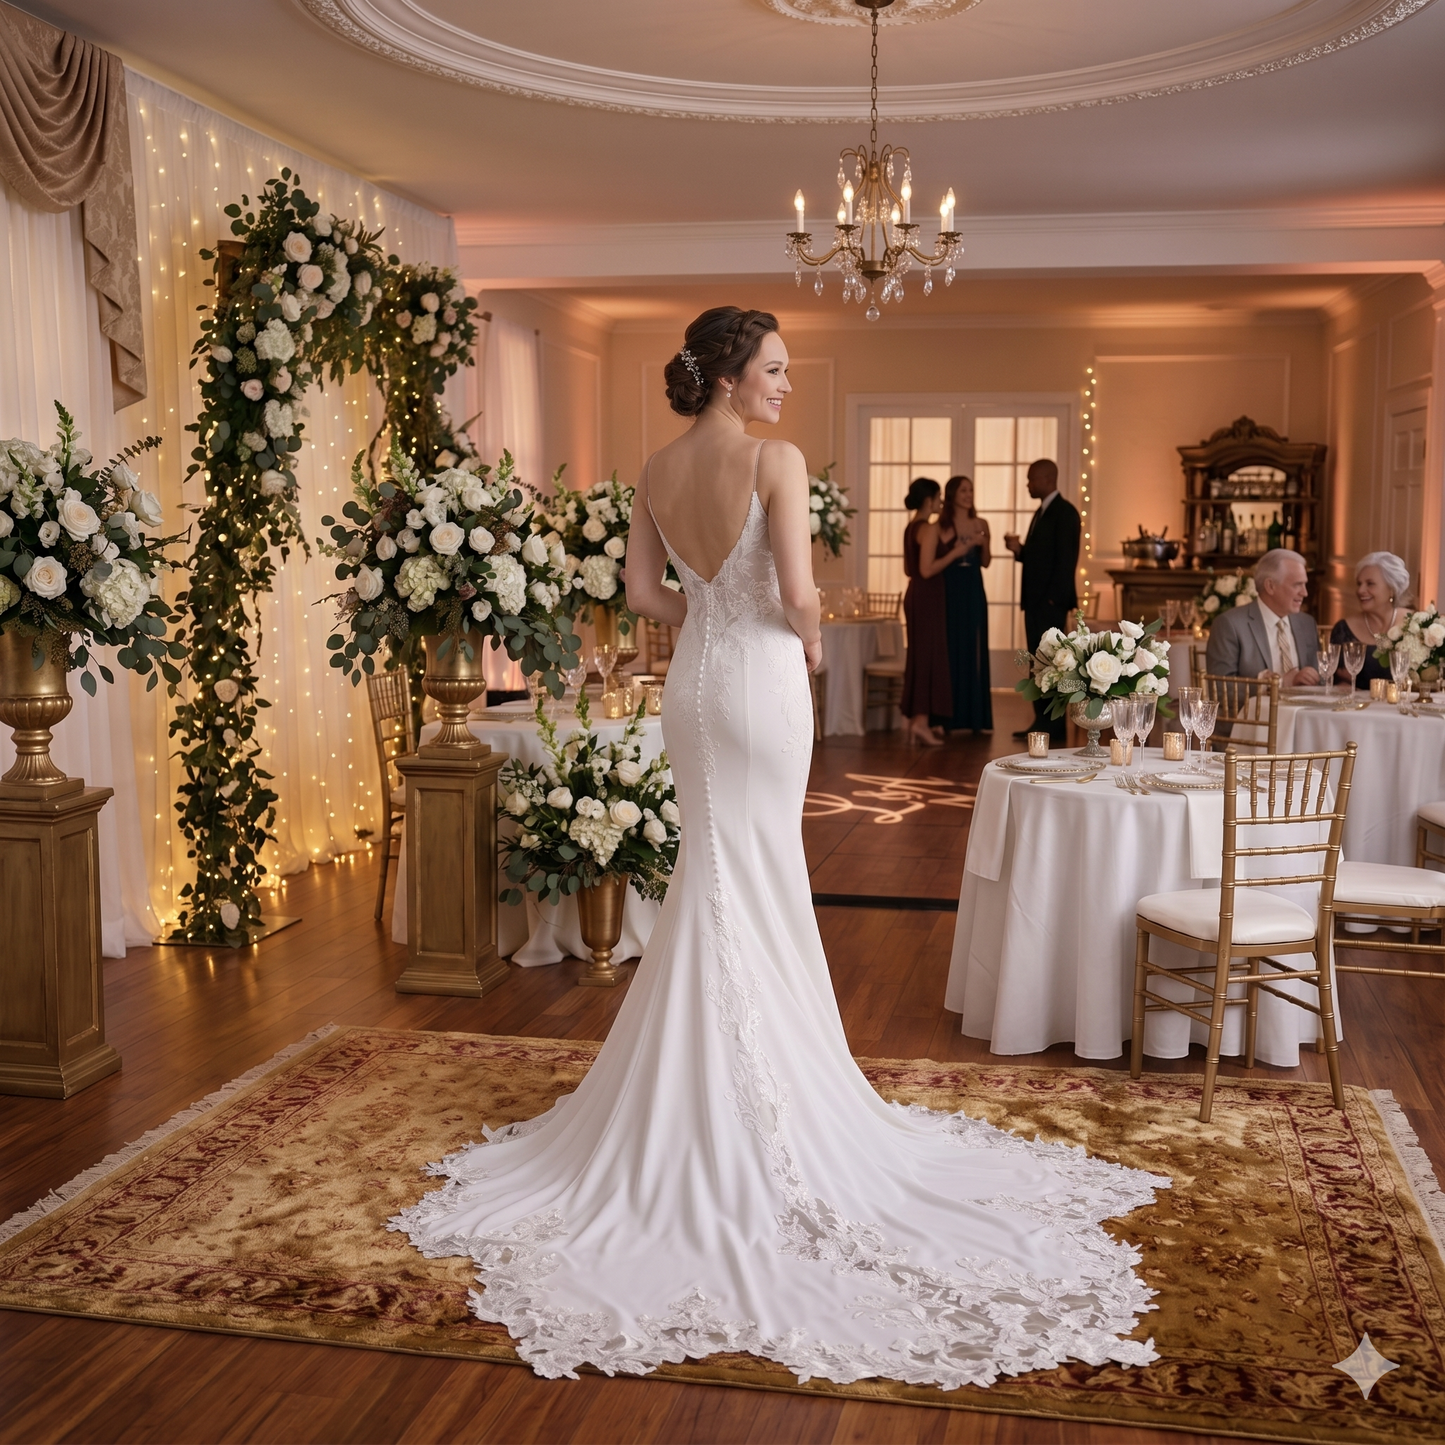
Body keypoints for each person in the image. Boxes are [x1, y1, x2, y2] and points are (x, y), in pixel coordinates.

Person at [390, 306, 1167, 1391]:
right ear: (724, 375)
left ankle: (696, 1084)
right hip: (756, 679)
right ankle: (764, 1093)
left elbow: (640, 594)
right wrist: (797, 634)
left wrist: (712, 608)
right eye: (772, 367)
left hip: (692, 682)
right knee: (754, 870)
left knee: (717, 868)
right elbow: (802, 590)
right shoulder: (773, 458)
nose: (784, 384)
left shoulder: (656, 466)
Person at [1004, 459, 1079, 741]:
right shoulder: (1042, 512)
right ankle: (1041, 720)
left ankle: (1054, 724)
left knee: (1052, 663)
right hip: (1035, 602)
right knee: (1037, 664)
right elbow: (1041, 558)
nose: (1028, 485)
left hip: (1049, 603)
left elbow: (1065, 560)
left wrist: (1052, 601)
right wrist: (1020, 550)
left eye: (1031, 479)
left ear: (1047, 479)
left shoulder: (1065, 512)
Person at [1204, 548, 1321, 685]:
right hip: (1255, 707)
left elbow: (1322, 680)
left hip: (1305, 706)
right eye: (1297, 585)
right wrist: (1279, 684)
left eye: (1305, 584)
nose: (1305, 593)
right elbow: (1220, 689)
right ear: (1270, 586)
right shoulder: (1229, 625)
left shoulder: (1307, 624)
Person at [899, 477, 956, 746]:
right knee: (928, 657)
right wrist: (957, 553)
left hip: (916, 596)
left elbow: (910, 570)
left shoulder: (911, 527)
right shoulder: (929, 529)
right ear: (929, 500)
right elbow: (926, 569)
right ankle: (920, 722)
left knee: (920, 656)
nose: (941, 502)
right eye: (938, 497)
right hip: (927, 597)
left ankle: (916, 720)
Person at [938, 474, 993, 734]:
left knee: (975, 645)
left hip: (972, 586)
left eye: (971, 490)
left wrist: (984, 543)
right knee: (950, 645)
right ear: (952, 495)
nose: (968, 495)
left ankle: (976, 718)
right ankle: (950, 716)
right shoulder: (943, 524)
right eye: (963, 491)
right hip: (950, 587)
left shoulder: (981, 523)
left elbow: (986, 562)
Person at [1329, 551, 1410, 688]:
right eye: (1359, 583)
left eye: (1370, 584)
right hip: (1358, 708)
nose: (1360, 590)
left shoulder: (1414, 624)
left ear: (1391, 589)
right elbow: (1337, 683)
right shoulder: (1343, 630)